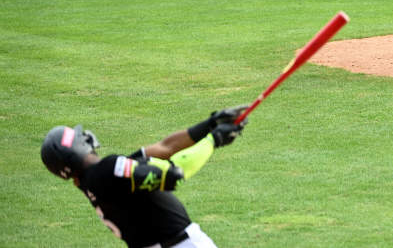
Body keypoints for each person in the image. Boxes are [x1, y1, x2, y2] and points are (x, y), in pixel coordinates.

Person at [41, 105, 249, 248]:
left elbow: (164, 148)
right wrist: (214, 139)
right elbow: (176, 172)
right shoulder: (108, 170)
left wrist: (209, 124)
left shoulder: (97, 180)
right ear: (79, 145)